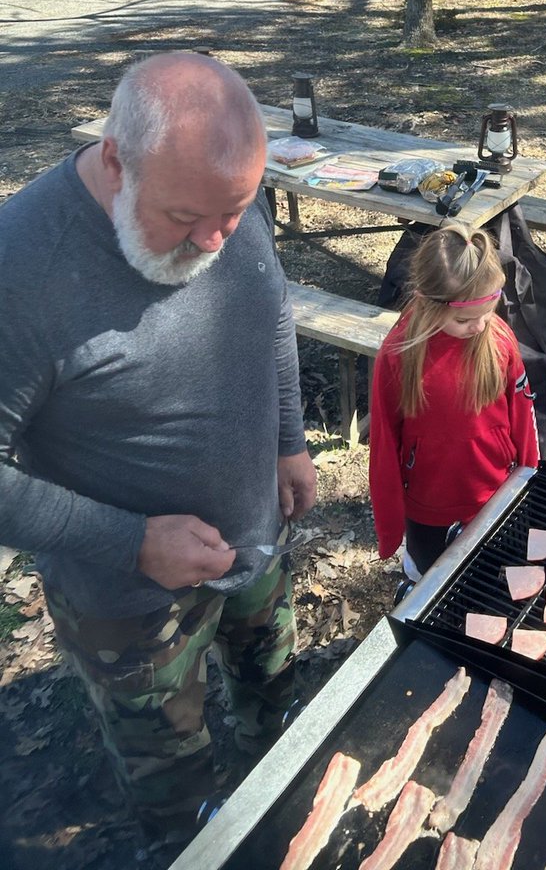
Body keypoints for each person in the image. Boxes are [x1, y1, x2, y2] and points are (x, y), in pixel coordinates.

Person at [0, 52, 316, 848]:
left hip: (255, 535)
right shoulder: (21, 269)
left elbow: (270, 311)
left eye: (235, 211)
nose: (213, 238)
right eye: (183, 219)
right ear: (115, 160)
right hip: (128, 602)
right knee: (176, 789)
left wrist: (288, 441)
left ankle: (280, 807)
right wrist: (132, 541)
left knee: (275, 713)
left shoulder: (222, 192)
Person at [368, 222, 540, 580]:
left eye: (487, 313)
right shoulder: (400, 354)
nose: (479, 327)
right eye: (464, 319)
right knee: (430, 582)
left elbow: (524, 416)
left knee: (489, 580)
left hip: (494, 492)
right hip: (429, 506)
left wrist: (530, 483)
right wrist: (389, 530)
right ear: (430, 305)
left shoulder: (498, 340)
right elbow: (384, 441)